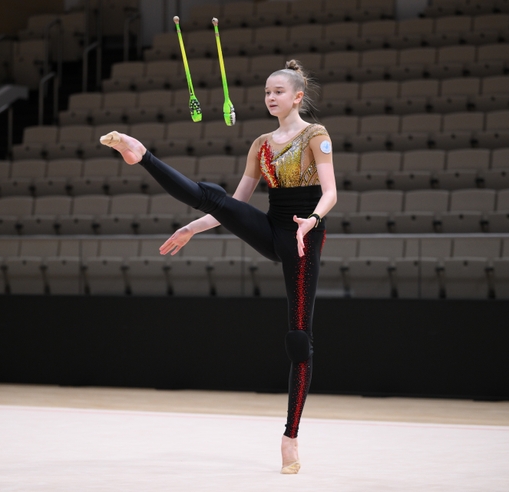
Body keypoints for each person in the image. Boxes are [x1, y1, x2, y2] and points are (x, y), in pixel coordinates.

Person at [100, 60, 337, 475]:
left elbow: (331, 192)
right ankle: (143, 156)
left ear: (297, 96)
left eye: (278, 92)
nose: (270, 97)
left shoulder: (316, 135)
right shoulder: (261, 143)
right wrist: (193, 227)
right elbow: (235, 203)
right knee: (210, 195)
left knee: (299, 338)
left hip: (304, 238)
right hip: (272, 229)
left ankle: (290, 437)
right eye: (266, 92)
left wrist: (312, 221)